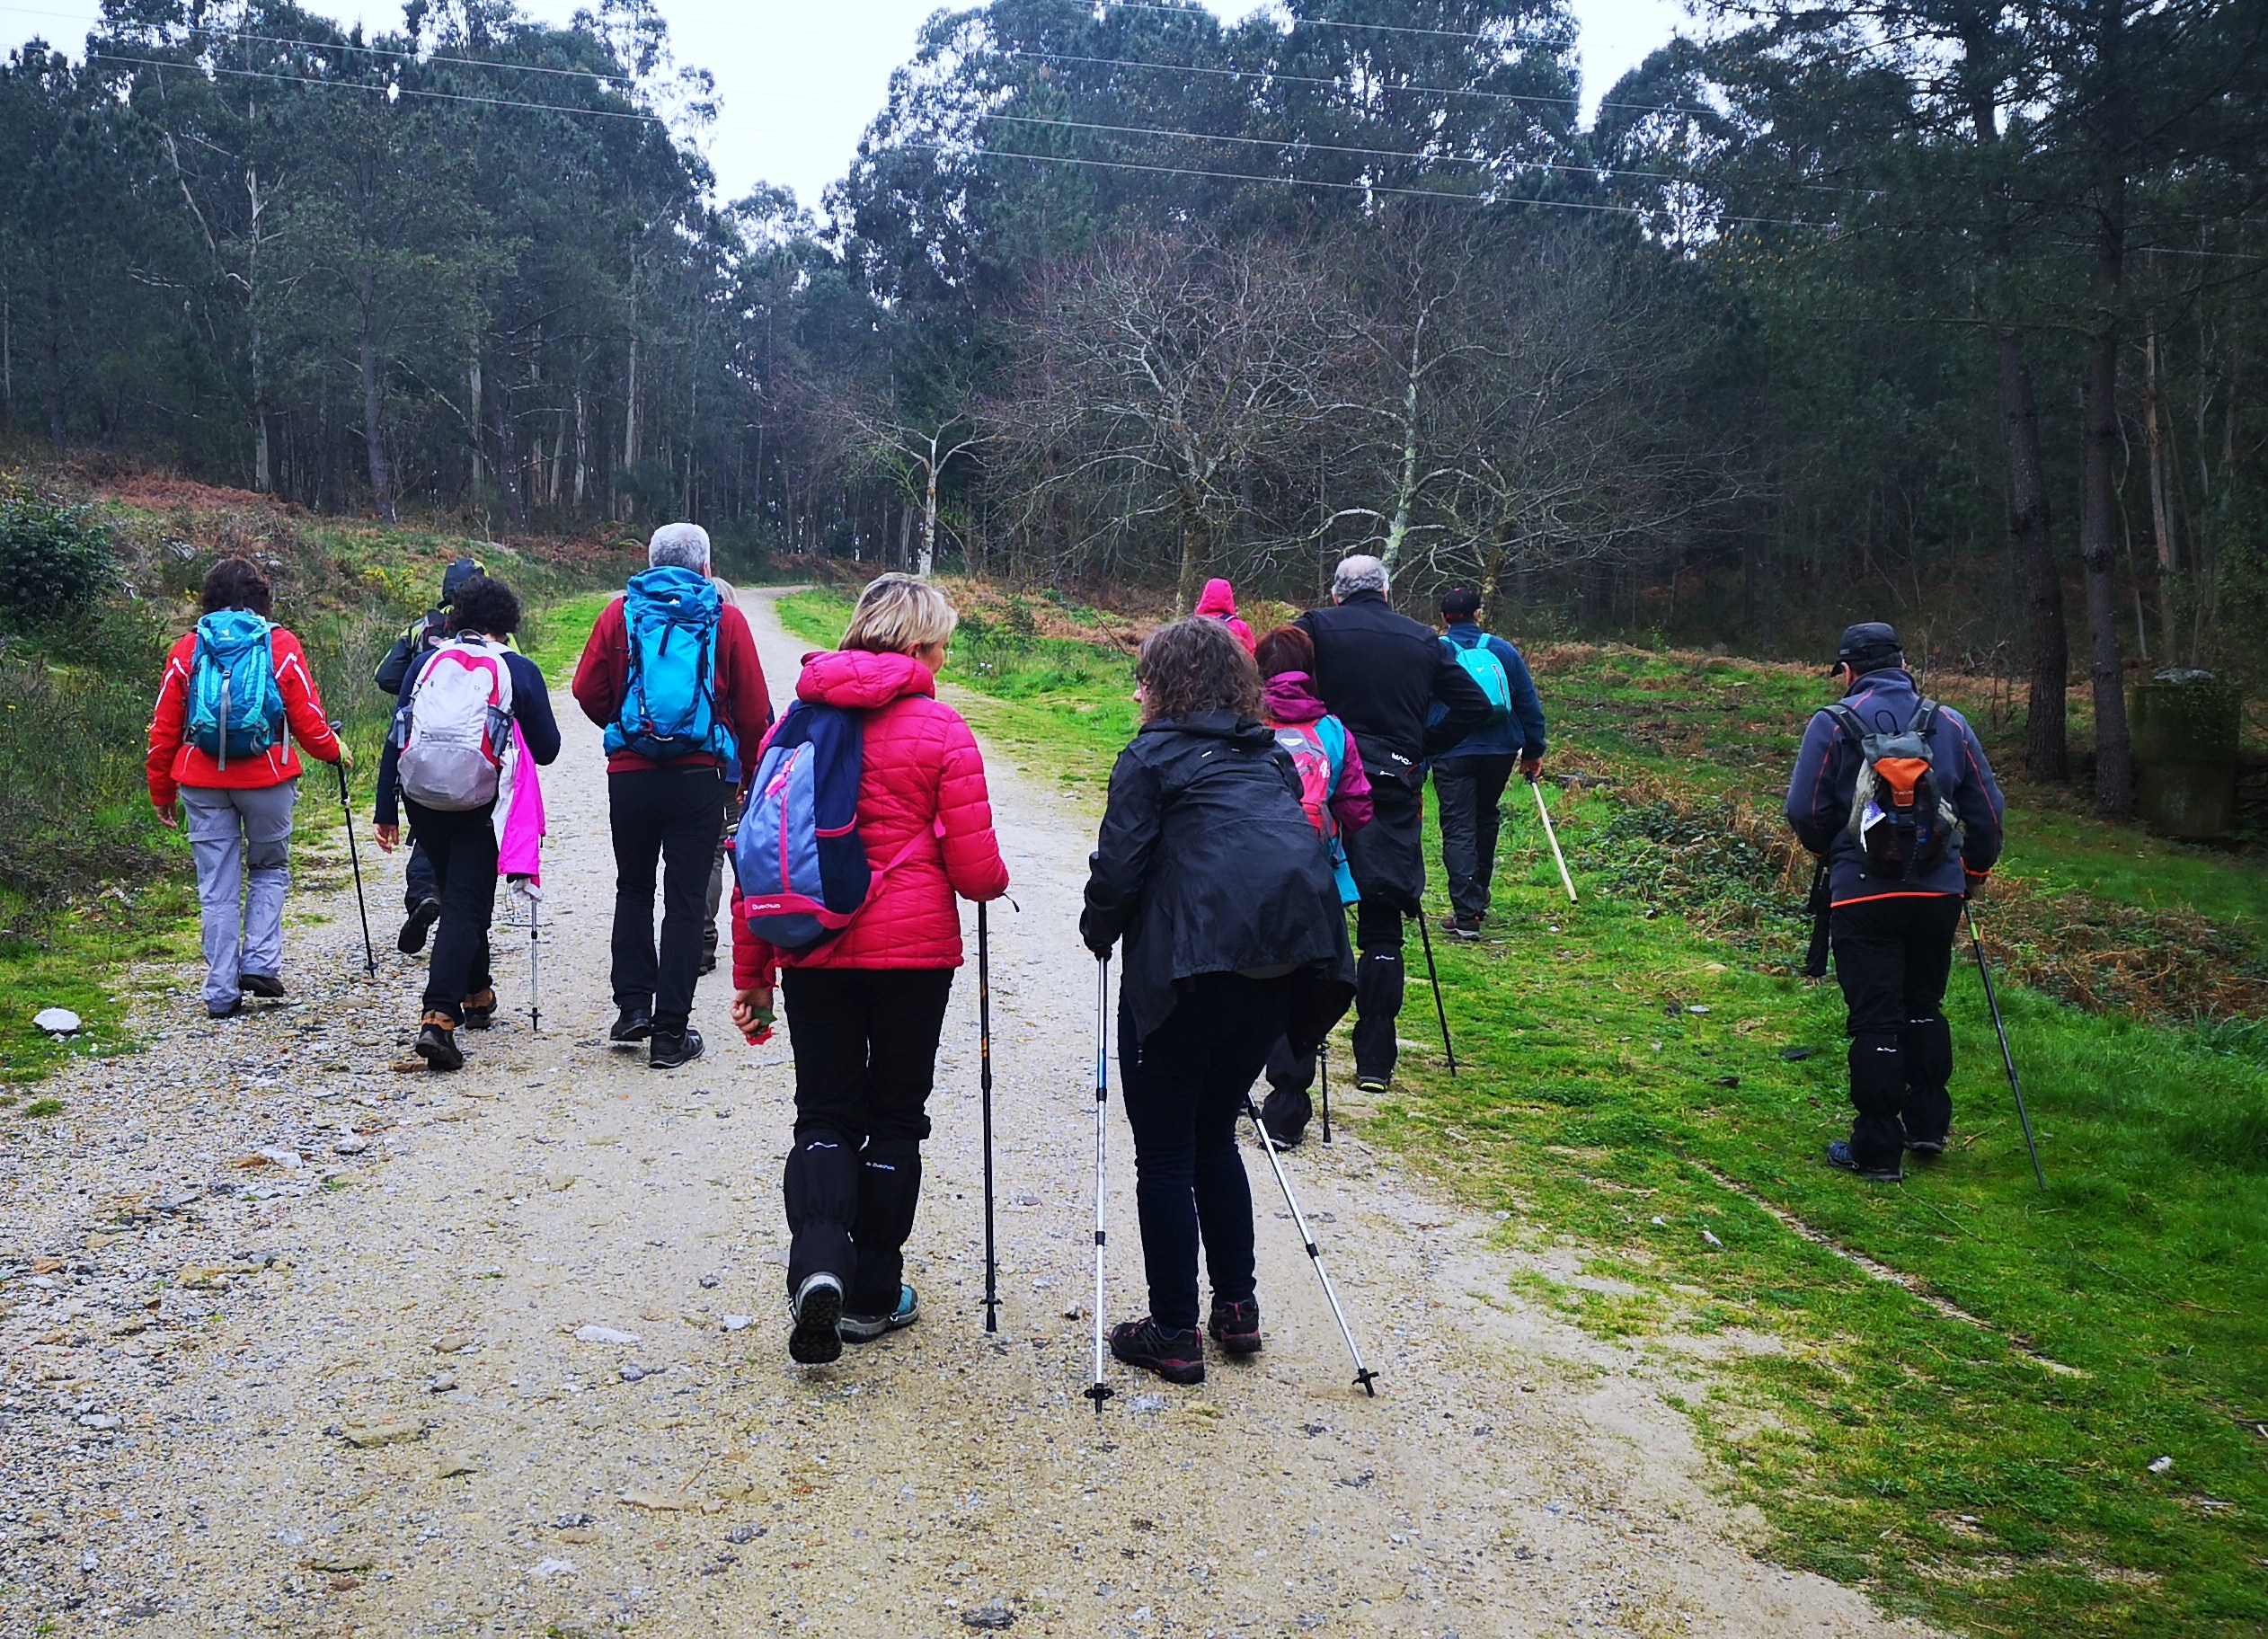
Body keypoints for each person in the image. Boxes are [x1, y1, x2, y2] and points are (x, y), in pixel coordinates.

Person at [729, 574, 1009, 1365]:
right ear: (918, 645)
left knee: (823, 1113)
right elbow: (977, 874)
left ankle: (819, 1265)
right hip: (913, 957)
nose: (944, 658)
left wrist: (754, 973)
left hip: (812, 949)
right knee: (895, 1116)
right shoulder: (942, 728)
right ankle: (874, 1293)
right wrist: (997, 881)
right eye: (941, 644)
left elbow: (757, 856)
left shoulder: (793, 725)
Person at [1082, 617, 1354, 1386]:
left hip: (1186, 974)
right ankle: (1236, 1307)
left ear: (1164, 685)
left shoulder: (1147, 758)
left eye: (1144, 677)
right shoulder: (1268, 756)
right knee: (1216, 1137)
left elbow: (1120, 872)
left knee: (1167, 1151)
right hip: (1278, 968)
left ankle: (1172, 1330)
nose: (1137, 691)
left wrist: (1097, 928)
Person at [1785, 621, 2005, 1182]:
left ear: (1849, 671)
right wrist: (1972, 872)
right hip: (1938, 894)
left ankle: (1878, 1151)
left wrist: (1835, 854)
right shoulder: (1949, 723)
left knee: (1875, 1020)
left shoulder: (1832, 723)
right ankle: (1928, 1127)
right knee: (1925, 1004)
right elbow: (1987, 812)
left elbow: (1804, 810)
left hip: (1862, 895)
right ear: (1903, 665)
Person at [573, 523, 770, 1069]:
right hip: (699, 776)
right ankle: (670, 1035)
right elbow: (754, 709)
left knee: (633, 888)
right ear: (706, 567)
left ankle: (633, 1009)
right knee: (685, 901)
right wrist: (748, 771)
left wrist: (626, 729)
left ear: (650, 562)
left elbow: (586, 689)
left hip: (630, 775)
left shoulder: (619, 613)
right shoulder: (724, 617)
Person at [1294, 554, 1493, 1093]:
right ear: (1387, 591)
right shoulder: (1423, 639)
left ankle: (1295, 1060)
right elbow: (1478, 707)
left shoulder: (1314, 628)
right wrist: (1419, 747)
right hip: (1392, 783)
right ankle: (1375, 1061)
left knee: (1309, 910)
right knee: (1383, 922)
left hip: (1323, 779)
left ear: (1336, 593)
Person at [373, 574, 562, 1071]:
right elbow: (547, 749)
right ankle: (438, 1016)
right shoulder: (517, 669)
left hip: (423, 798)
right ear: (508, 622)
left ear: (456, 616)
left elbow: (398, 734)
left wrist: (385, 809)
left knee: (461, 893)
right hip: (481, 801)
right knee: (464, 902)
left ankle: (476, 993)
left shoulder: (426, 663)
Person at [146, 557, 349, 1019]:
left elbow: (164, 728)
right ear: (261, 597)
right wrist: (333, 751)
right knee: (269, 867)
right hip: (267, 777)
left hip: (200, 779)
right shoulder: (280, 644)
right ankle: (259, 963)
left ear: (209, 597)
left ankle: (220, 992)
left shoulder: (188, 648)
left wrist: (161, 791)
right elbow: (308, 720)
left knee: (216, 887)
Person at [1252, 625, 1373, 1147]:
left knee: (1246, 976)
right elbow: (1358, 808)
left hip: (1248, 873)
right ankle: (1286, 1109)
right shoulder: (1334, 730)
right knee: (1306, 984)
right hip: (1315, 875)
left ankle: (1230, 1084)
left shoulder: (1245, 722)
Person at [374, 555, 483, 955]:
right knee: (469, 831)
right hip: (474, 747)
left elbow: (386, 676)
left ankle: (422, 894)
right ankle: (458, 915)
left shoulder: (421, 628)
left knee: (427, 821)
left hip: (420, 740)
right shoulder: (491, 631)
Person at [1431, 587, 1548, 941]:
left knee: (1458, 826)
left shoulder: (1434, 650)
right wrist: (1533, 750)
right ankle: (1478, 894)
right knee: (1485, 817)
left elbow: (1418, 702)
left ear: (1444, 618)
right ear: (1478, 614)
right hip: (1499, 749)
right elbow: (1527, 702)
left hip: (1451, 749)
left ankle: (1466, 914)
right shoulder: (1502, 650)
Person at [1193, 576, 1256, 655]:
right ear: (1229, 597)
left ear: (1205, 596)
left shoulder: (1194, 625)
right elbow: (1250, 653)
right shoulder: (1240, 627)